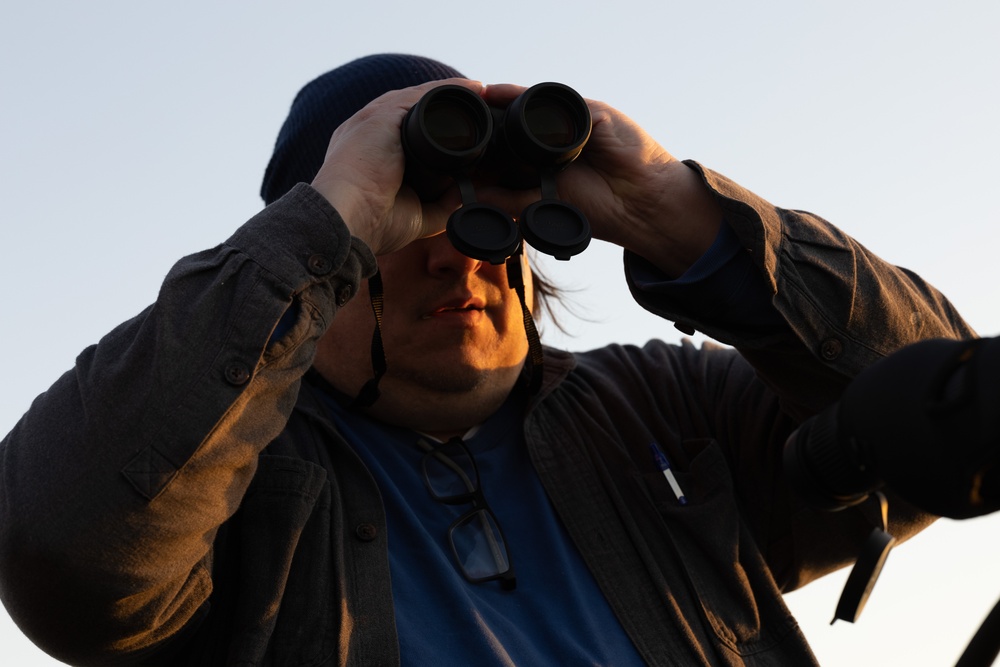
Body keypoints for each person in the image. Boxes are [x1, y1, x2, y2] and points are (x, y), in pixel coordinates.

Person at [0, 53, 974, 666]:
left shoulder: (663, 409)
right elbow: (60, 552)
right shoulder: (236, 478)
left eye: (474, 209)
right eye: (405, 216)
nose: (453, 247)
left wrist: (674, 212)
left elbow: (956, 410)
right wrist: (332, 217)